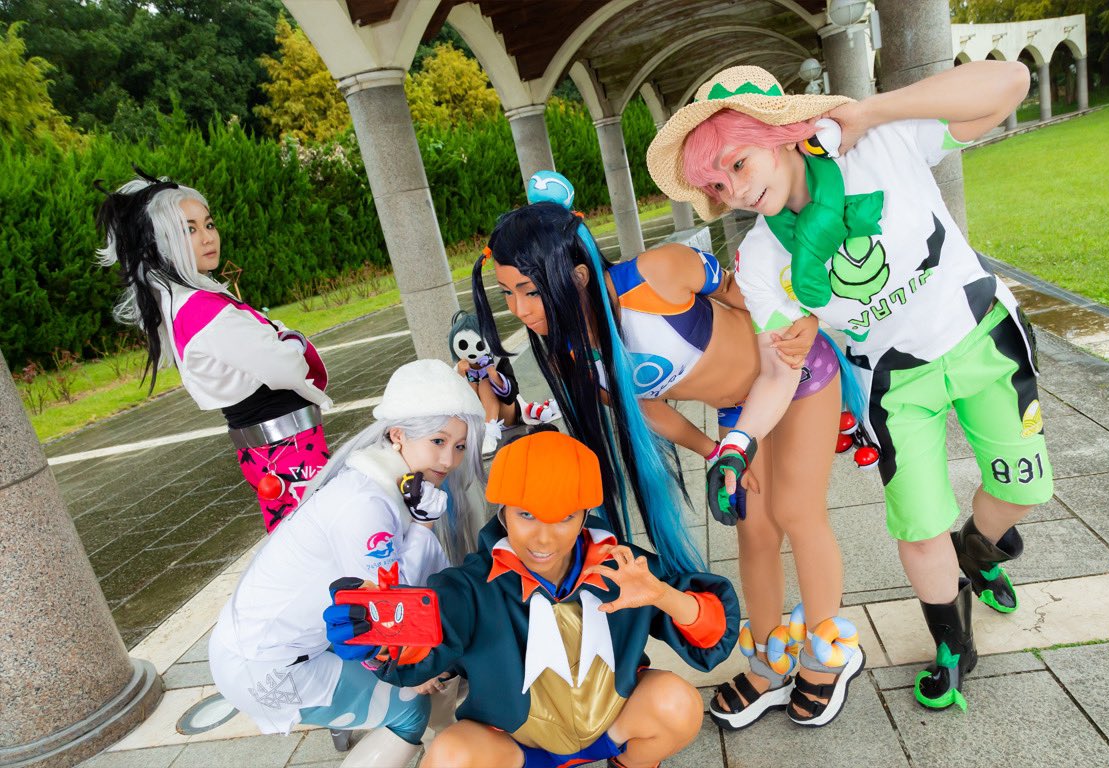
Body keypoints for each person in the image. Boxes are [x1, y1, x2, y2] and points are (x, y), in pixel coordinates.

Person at [647, 60, 1052, 711]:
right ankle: (954, 647)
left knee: (1021, 490)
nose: (733, 190)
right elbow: (778, 369)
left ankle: (977, 550)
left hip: (982, 335)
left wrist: (874, 111)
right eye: (717, 184)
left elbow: (1011, 85)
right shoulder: (762, 259)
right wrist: (736, 445)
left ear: (778, 136)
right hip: (893, 382)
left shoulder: (879, 145)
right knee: (919, 524)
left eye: (738, 164)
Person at [472, 171, 864, 727]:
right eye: (507, 293)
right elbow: (646, 409)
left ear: (577, 276)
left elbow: (747, 294)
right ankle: (767, 662)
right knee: (753, 529)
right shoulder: (571, 352)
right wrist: (712, 449)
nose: (518, 308)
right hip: (736, 418)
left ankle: (826, 657)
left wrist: (802, 320)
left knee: (797, 512)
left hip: (796, 374)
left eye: (530, 291)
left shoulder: (658, 274)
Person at [326, 430, 741, 768]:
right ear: (503, 511)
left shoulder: (621, 566)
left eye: (564, 517)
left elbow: (713, 634)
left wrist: (663, 595)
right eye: (526, 514)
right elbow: (416, 647)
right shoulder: (470, 586)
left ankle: (631, 763)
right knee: (450, 756)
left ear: (584, 515)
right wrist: (374, 633)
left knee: (678, 704)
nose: (544, 539)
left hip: (614, 724)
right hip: (515, 748)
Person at [208, 359, 486, 767]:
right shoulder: (366, 505)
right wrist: (424, 527)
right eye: (438, 441)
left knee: (434, 681)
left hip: (279, 645)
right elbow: (388, 607)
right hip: (267, 665)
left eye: (459, 446)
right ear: (397, 435)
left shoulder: (379, 482)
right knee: (409, 710)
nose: (449, 460)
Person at [96, 171, 331, 532]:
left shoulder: (184, 302)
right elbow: (285, 368)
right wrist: (292, 340)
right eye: (189, 230)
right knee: (317, 535)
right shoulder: (202, 310)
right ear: (161, 242)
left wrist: (280, 340)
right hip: (286, 447)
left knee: (306, 534)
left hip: (271, 448)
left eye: (208, 224)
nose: (208, 237)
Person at [447, 309, 557, 455]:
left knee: (485, 384)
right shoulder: (458, 369)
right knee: (471, 384)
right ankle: (480, 430)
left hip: (507, 414)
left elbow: (511, 395)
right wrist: (460, 376)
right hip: (478, 417)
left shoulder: (498, 360)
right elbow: (454, 403)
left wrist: (493, 374)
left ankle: (489, 434)